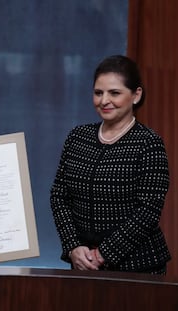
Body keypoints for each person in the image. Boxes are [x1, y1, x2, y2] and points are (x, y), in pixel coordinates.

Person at [50, 55, 171, 275]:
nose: (104, 100)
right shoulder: (78, 137)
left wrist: (103, 254)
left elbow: (148, 211)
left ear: (136, 95)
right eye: (98, 93)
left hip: (139, 268)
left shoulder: (149, 143)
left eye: (114, 93)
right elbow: (59, 196)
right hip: (82, 265)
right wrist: (73, 247)